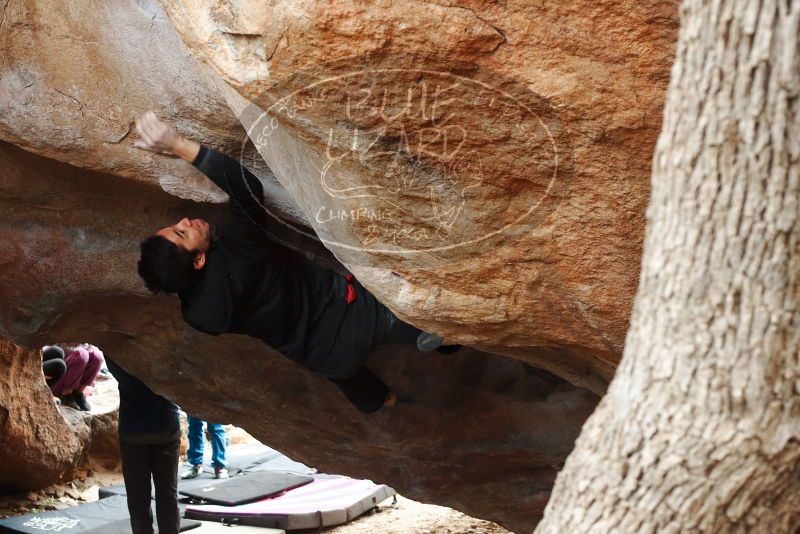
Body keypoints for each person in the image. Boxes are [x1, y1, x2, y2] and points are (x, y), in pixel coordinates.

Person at [134, 112, 459, 413]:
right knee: (425, 324)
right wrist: (177, 144)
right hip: (356, 316)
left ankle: (381, 400)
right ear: (199, 260)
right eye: (182, 233)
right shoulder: (240, 250)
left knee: (350, 378)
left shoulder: (197, 314)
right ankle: (445, 343)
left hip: (325, 358)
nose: (188, 221)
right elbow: (245, 186)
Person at [106, 356, 181, 534]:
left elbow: (106, 347)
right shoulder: (168, 360)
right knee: (168, 493)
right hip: (166, 428)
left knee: (137, 497)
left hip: (134, 432)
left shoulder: (123, 363)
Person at [49, 343, 104, 411]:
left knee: (97, 357)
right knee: (81, 355)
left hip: (75, 381)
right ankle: (66, 394)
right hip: (57, 379)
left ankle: (78, 393)